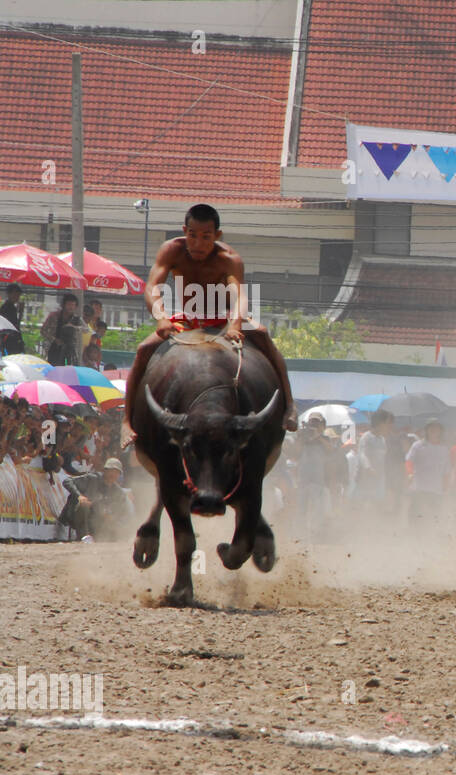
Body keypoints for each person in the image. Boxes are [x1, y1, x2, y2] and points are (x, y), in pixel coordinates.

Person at [122, 204, 297, 439]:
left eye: (206, 237)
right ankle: (126, 420)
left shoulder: (229, 259)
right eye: (192, 235)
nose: (198, 244)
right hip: (187, 318)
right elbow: (152, 286)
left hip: (224, 318)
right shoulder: (171, 250)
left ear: (217, 236)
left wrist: (236, 324)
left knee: (263, 334)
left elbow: (239, 295)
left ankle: (290, 405)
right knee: (143, 349)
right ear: (184, 230)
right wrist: (161, 317)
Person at [59, 456, 133, 542]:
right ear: (104, 471)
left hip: (97, 520)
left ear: (119, 475)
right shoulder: (92, 478)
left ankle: (104, 539)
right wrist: (79, 496)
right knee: (84, 506)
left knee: (111, 521)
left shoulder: (118, 492)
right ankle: (83, 538)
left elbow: (120, 512)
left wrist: (111, 516)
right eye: (110, 471)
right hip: (77, 515)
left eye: (116, 472)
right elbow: (67, 481)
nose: (113, 474)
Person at [406, 418, 451, 522]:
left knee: (434, 518)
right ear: (426, 430)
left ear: (440, 431)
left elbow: (446, 471)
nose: (434, 430)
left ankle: (430, 536)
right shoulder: (418, 445)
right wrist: (409, 473)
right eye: (431, 428)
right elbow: (409, 461)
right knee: (416, 517)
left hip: (436, 490)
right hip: (419, 488)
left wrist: (445, 488)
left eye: (437, 428)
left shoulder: (444, 449)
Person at [41, 293, 81, 364]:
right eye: (69, 305)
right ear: (64, 305)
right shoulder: (54, 315)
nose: (70, 307)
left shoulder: (76, 318)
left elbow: (86, 329)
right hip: (55, 348)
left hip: (70, 349)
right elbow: (43, 330)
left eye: (73, 305)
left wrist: (74, 327)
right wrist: (54, 339)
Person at [0, 283, 26, 355]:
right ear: (9, 294)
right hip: (10, 341)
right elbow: (14, 326)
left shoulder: (10, 307)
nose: (17, 297)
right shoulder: (7, 307)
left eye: (18, 295)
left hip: (10, 340)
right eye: (15, 294)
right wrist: (20, 312)